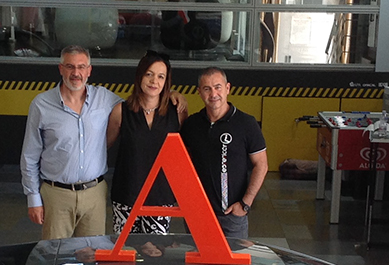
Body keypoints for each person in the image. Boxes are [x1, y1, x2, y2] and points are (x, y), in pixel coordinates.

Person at [20, 46, 119, 238]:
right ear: (60, 69)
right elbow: (29, 156)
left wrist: (172, 94)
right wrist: (33, 198)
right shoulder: (41, 104)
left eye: (81, 67)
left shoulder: (104, 98)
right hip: (57, 195)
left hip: (94, 195)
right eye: (70, 66)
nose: (76, 73)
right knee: (55, 253)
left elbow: (136, 106)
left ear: (89, 70)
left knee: (92, 252)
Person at [106, 50, 189, 234]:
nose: (154, 81)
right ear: (140, 76)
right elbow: (104, 146)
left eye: (161, 76)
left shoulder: (177, 111)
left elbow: (183, 152)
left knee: (155, 250)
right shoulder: (121, 111)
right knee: (125, 249)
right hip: (126, 194)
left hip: (160, 196)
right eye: (149, 74)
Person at [180, 66, 267, 239]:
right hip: (197, 214)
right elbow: (182, 164)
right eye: (207, 89)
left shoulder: (246, 124)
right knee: (198, 256)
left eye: (218, 87)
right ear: (199, 92)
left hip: (232, 216)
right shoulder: (191, 125)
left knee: (234, 257)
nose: (213, 94)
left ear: (227, 88)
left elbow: (261, 165)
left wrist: (245, 204)